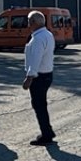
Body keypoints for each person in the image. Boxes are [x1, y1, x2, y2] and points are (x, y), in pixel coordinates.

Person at [22, 10, 56, 145]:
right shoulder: (47, 34)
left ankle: (46, 135)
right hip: (47, 74)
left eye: (29, 22)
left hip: (39, 77)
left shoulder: (37, 38)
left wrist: (29, 78)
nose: (28, 25)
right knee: (41, 104)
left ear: (34, 23)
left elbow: (35, 59)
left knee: (39, 105)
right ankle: (48, 131)